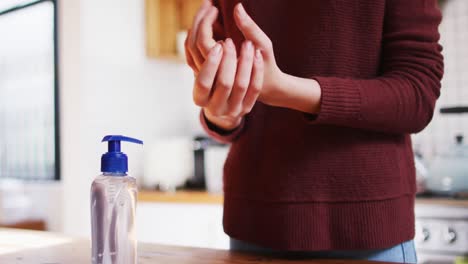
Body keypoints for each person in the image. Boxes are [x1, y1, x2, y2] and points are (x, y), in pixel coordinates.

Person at [184, 0, 444, 263]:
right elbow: (233, 107)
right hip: (254, 226)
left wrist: (286, 90)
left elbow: (418, 94)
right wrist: (222, 112)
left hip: (367, 235)